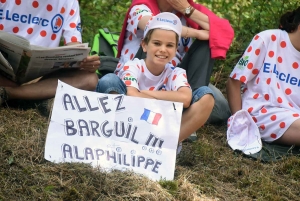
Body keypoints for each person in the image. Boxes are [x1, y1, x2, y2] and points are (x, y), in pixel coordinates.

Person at [97, 12, 215, 143]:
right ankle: (114, 136)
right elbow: (132, 96)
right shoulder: (133, 66)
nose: (163, 49)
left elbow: (186, 98)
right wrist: (167, 98)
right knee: (109, 81)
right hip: (129, 122)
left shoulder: (177, 73)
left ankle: (166, 145)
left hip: (160, 129)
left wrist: (144, 93)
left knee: (206, 96)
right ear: (144, 45)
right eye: (157, 43)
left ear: (176, 49)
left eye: (170, 45)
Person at [114, 0, 234, 125]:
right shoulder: (141, 7)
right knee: (155, 41)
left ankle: (188, 106)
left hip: (173, 79)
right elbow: (152, 25)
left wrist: (187, 9)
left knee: (221, 110)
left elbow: (224, 32)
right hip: (136, 78)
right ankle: (169, 109)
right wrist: (197, 33)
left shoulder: (187, 11)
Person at [0, 0, 99, 111]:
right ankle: (32, 96)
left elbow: (75, 45)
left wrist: (86, 61)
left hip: (41, 77)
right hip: (5, 71)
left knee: (90, 79)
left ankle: (8, 93)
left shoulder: (68, 2)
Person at [226, 7, 300, 146]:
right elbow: (233, 82)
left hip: (295, 115)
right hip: (262, 114)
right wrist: (241, 124)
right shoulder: (268, 39)